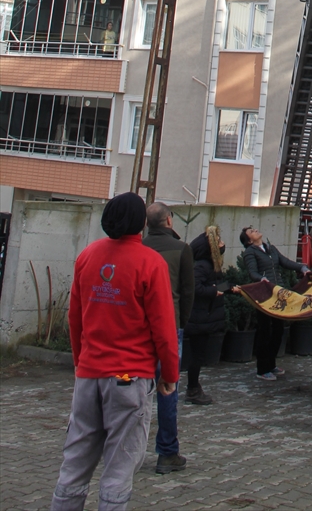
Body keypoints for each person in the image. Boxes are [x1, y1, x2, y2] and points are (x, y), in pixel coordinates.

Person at [50, 192, 179, 511]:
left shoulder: (88, 256)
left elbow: (75, 318)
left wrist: (82, 363)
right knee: (119, 470)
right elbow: (164, 329)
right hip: (129, 378)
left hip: (89, 376)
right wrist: (170, 375)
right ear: (140, 224)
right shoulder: (151, 263)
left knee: (75, 464)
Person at [143, 202, 195, 473]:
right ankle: (167, 452)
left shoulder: (139, 247)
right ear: (169, 221)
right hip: (169, 329)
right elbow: (188, 291)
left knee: (132, 386)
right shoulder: (181, 249)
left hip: (139, 332)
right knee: (167, 389)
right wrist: (181, 323)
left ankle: (128, 448)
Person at [239, 225, 309, 381]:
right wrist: (260, 279)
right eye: (252, 232)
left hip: (279, 294)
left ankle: (271, 364)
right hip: (265, 296)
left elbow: (285, 262)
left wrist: (302, 268)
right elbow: (252, 272)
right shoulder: (250, 253)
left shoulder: (270, 249)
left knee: (278, 330)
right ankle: (262, 368)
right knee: (265, 331)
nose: (256, 230)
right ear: (249, 240)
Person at [183, 225, 226, 406]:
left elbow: (219, 285)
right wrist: (213, 291)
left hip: (205, 317)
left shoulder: (211, 266)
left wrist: (230, 288)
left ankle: (194, 387)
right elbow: (197, 288)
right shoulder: (202, 265)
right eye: (218, 242)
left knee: (199, 355)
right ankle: (192, 389)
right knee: (196, 356)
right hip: (199, 318)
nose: (222, 243)